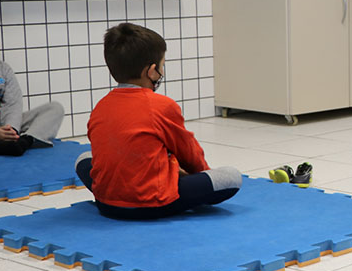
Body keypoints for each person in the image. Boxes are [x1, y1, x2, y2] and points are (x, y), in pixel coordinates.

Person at [75, 23, 242, 219]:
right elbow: (189, 153)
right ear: (152, 71)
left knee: (84, 158)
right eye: (162, 66)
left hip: (107, 203)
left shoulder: (101, 106)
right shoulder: (162, 105)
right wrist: (200, 177)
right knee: (231, 177)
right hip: (153, 203)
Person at [0, 8, 64, 156]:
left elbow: (13, 104)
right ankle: (1, 143)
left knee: (55, 109)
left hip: (3, 125)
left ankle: (25, 140)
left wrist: (11, 130)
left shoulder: (3, 69)